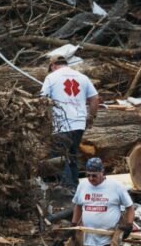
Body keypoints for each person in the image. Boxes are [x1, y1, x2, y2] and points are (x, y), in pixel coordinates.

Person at [41, 55, 99, 189]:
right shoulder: (82, 77)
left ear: (53, 66)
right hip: (79, 123)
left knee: (60, 158)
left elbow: (42, 100)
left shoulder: (51, 77)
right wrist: (90, 117)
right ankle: (76, 187)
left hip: (61, 123)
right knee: (72, 155)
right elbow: (95, 98)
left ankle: (67, 190)